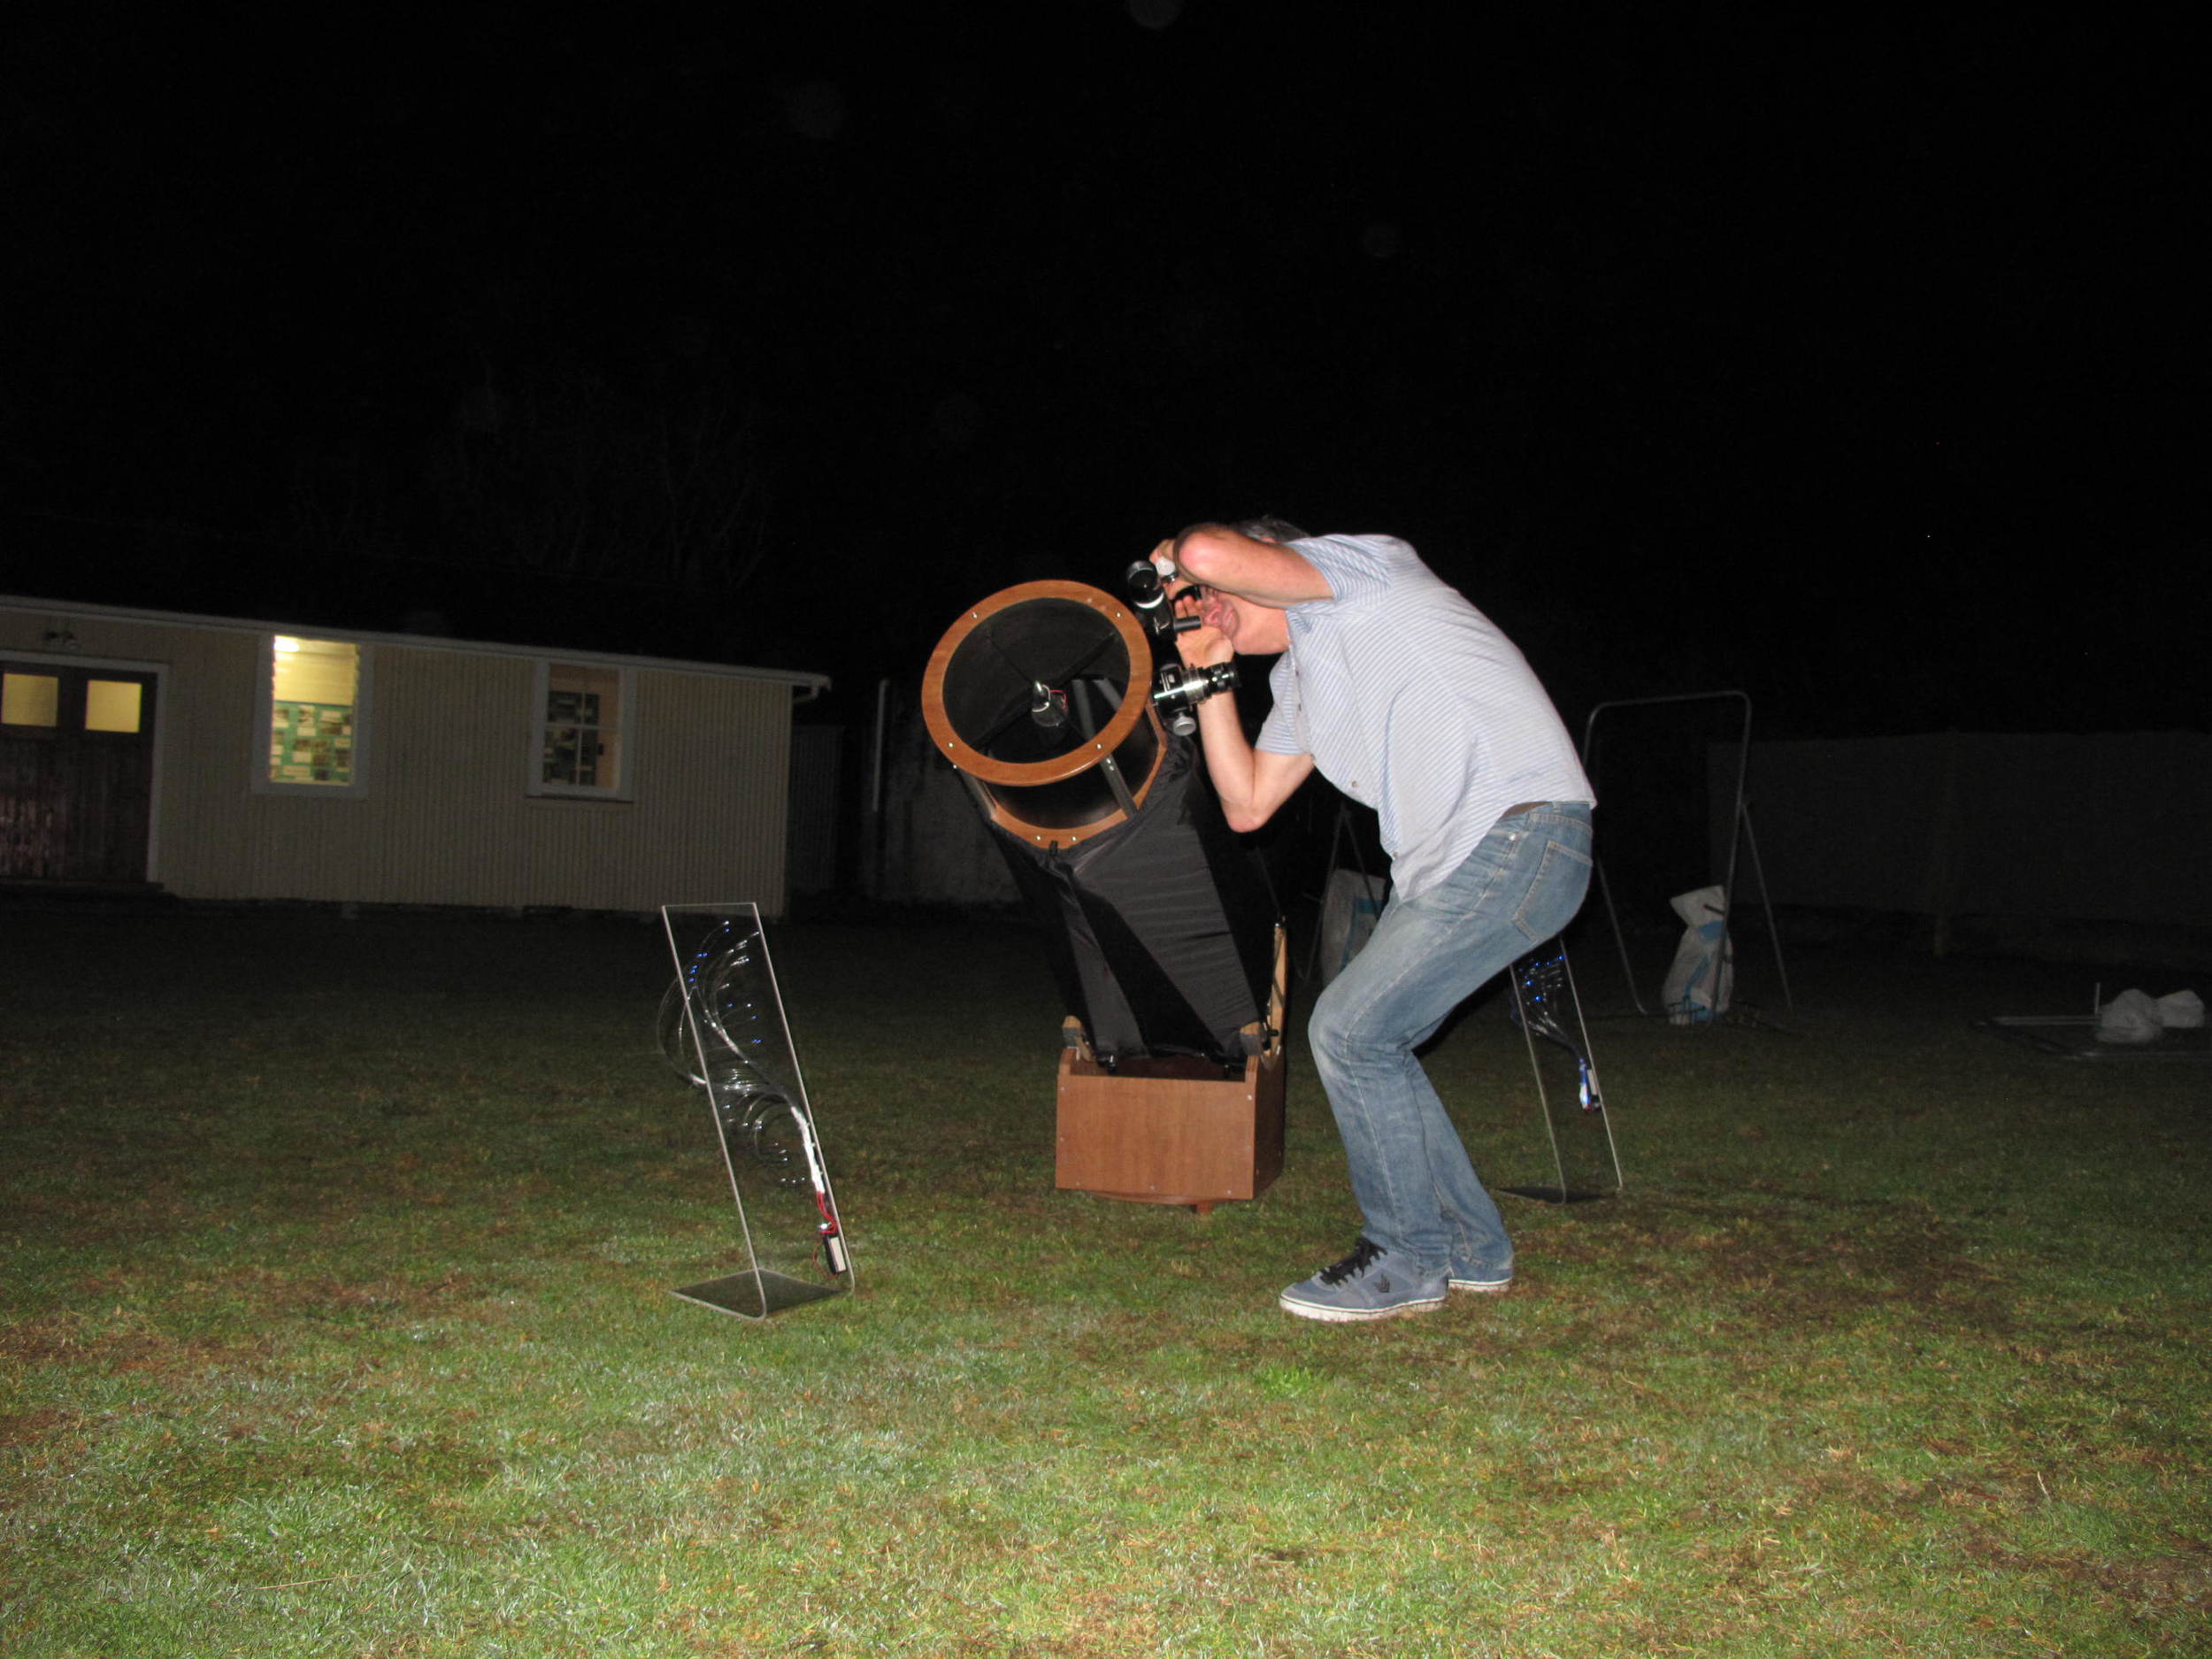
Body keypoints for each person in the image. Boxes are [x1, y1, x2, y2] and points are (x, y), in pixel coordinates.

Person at [1154, 519, 1595, 1323]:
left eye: (1217, 597)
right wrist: (1211, 677)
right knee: (1372, 1036)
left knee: (1350, 1032)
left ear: (1277, 562)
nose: (1206, 606)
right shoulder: (1300, 683)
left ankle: (1406, 1254)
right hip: (1449, 870)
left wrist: (1172, 564)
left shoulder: (1363, 574)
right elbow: (1247, 803)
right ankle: (1470, 1246)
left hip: (1517, 829)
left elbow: (1206, 551)